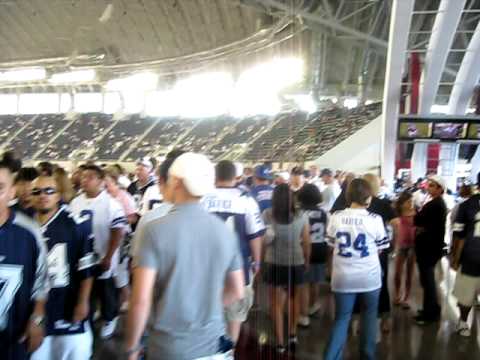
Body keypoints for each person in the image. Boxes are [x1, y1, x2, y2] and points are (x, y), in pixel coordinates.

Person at [125, 153, 245, 360]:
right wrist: (203, 309)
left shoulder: (153, 230)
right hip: (214, 346)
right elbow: (237, 290)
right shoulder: (223, 231)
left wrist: (131, 346)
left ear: (177, 182)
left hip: (168, 348)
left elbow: (140, 301)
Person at [30, 175, 95, 360]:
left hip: (68, 306)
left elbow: (86, 268)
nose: (43, 195)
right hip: (36, 311)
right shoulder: (24, 226)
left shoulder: (76, 224)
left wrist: (83, 302)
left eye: (49, 190)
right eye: (37, 191)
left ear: (59, 195)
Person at [324, 178, 388, 360]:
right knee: (369, 316)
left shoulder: (335, 217)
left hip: (343, 276)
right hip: (369, 277)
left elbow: (330, 244)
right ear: (368, 197)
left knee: (342, 318)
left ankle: (330, 357)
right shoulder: (375, 219)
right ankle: (367, 355)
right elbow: (381, 247)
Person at [202, 160, 265, 344]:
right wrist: (257, 262)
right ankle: (230, 353)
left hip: (208, 268)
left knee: (210, 317)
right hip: (238, 268)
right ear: (235, 177)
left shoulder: (203, 198)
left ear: (215, 176)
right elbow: (255, 235)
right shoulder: (245, 199)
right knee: (235, 317)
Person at [70, 164, 127, 339]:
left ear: (101, 181)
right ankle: (90, 313)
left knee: (105, 289)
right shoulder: (75, 202)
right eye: (83, 176)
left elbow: (118, 231)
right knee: (86, 287)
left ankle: (110, 317)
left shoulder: (111, 204)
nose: (84, 180)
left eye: (90, 177)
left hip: (102, 254)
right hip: (83, 256)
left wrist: (109, 256)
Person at [0, 158, 49, 360]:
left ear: (13, 193)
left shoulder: (29, 232)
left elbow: (41, 282)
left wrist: (37, 319)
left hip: (12, 342)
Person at [263, 184, 310, 353]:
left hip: (273, 262)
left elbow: (263, 240)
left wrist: (260, 263)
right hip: (295, 262)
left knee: (276, 305)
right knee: (293, 299)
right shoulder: (302, 215)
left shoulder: (267, 214)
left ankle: (281, 343)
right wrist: (307, 260)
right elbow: (306, 241)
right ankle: (293, 333)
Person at [413, 175, 447, 325]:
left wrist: (418, 216)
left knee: (428, 281)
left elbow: (418, 220)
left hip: (429, 248)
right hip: (429, 247)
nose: (429, 187)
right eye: (429, 185)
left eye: (433, 185)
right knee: (426, 280)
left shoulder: (436, 204)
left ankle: (430, 314)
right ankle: (432, 308)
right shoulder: (435, 203)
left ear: (440, 189)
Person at [450, 173, 480, 337]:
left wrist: (455, 258)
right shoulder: (467, 205)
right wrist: (455, 258)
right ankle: (462, 321)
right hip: (471, 258)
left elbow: (458, 235)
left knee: (467, 294)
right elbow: (459, 235)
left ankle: (462, 322)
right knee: (467, 294)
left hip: (471, 256)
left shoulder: (467, 205)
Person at [105, 168, 137, 311]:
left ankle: (128, 298)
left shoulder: (123, 196)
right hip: (106, 238)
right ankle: (116, 303)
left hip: (122, 239)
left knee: (120, 272)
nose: (105, 187)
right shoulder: (104, 198)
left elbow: (133, 217)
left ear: (115, 183)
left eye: (108, 184)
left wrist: (118, 221)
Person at [297, 183, 328, 326]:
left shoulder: (299, 213)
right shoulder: (323, 213)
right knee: (315, 281)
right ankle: (313, 305)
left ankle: (303, 315)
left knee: (303, 283)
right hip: (321, 247)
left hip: (303, 247)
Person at [393, 191, 416, 307]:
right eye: (408, 201)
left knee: (409, 273)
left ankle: (406, 297)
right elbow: (394, 232)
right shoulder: (397, 215)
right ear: (402, 203)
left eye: (412, 201)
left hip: (413, 245)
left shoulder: (416, 213)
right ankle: (397, 294)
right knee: (397, 273)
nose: (411, 203)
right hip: (401, 246)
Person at [127, 157, 157, 223]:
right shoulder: (132, 186)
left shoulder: (154, 188)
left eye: (141, 170)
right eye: (137, 169)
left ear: (150, 171)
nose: (138, 172)